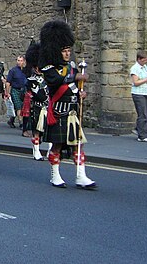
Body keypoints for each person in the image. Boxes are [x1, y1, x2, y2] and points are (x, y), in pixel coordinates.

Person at [39, 20, 95, 189]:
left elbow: (73, 88)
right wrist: (76, 78)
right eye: (64, 51)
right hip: (59, 111)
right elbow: (55, 81)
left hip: (72, 111)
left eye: (69, 51)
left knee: (78, 143)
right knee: (57, 145)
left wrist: (80, 93)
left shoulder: (71, 67)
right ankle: (55, 175)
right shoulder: (49, 68)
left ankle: (81, 176)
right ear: (57, 51)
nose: (67, 54)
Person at [25, 41, 49, 161]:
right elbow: (38, 94)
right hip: (38, 108)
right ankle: (36, 150)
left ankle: (50, 150)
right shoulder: (31, 80)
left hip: (48, 107)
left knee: (49, 129)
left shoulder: (48, 78)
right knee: (37, 130)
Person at [5, 55, 27, 132]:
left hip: (24, 90)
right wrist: (7, 93)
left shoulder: (26, 70)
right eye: (18, 60)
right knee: (18, 107)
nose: (19, 62)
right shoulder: (13, 71)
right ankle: (21, 123)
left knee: (21, 107)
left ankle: (11, 120)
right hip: (15, 90)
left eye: (21, 61)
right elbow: (8, 83)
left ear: (24, 61)